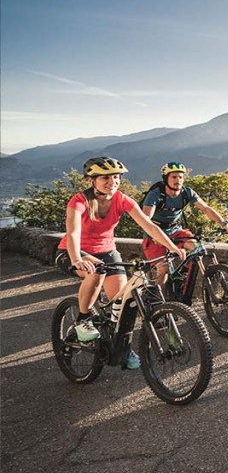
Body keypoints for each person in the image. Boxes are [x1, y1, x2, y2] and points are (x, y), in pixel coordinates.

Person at [56, 157, 187, 369]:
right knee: (96, 272)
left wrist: (171, 246)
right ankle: (82, 319)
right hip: (74, 251)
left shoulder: (121, 199)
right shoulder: (79, 201)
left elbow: (149, 226)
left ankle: (121, 348)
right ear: (91, 180)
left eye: (116, 177)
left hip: (107, 251)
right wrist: (77, 260)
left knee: (122, 301)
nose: (112, 182)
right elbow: (72, 233)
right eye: (105, 178)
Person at [141, 161, 228, 293]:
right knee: (164, 270)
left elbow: (206, 208)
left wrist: (223, 223)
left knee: (198, 248)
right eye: (174, 177)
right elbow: (146, 219)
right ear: (166, 179)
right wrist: (154, 234)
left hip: (175, 230)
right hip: (155, 233)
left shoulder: (187, 192)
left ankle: (182, 276)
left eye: (180, 177)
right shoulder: (156, 194)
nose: (178, 180)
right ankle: (156, 300)